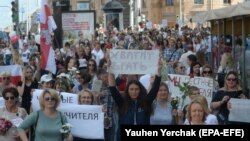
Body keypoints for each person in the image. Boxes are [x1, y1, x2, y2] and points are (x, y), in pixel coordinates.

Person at [108, 59, 162, 141]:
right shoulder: (122, 102)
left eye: (136, 89)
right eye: (131, 89)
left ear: (140, 90)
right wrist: (110, 69)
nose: (134, 92)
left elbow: (155, 88)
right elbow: (112, 89)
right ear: (127, 90)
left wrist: (158, 70)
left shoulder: (146, 101)